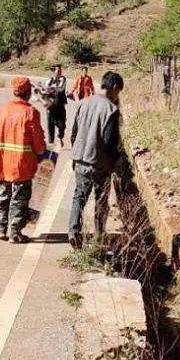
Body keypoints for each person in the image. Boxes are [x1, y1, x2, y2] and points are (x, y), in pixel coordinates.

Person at [68, 70, 124, 248]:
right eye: (119, 92)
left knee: (79, 197)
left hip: (80, 161)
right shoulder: (111, 110)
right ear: (115, 88)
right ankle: (98, 239)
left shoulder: (84, 103)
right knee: (101, 201)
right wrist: (117, 160)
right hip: (99, 164)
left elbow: (74, 133)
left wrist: (75, 155)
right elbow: (109, 142)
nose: (118, 96)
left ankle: (73, 231)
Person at [0, 76, 48, 243]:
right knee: (19, 198)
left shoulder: (2, 110)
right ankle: (15, 233)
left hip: (2, 162)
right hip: (21, 164)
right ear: (28, 92)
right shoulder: (31, 112)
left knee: (2, 195)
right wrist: (43, 154)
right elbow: (38, 142)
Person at [44, 64, 70, 147]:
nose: (59, 72)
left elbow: (61, 88)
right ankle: (51, 143)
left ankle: (60, 137)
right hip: (51, 106)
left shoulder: (63, 79)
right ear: (54, 71)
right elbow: (46, 88)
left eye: (60, 71)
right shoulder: (49, 80)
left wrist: (50, 89)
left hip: (60, 106)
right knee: (50, 125)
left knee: (62, 125)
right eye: (58, 71)